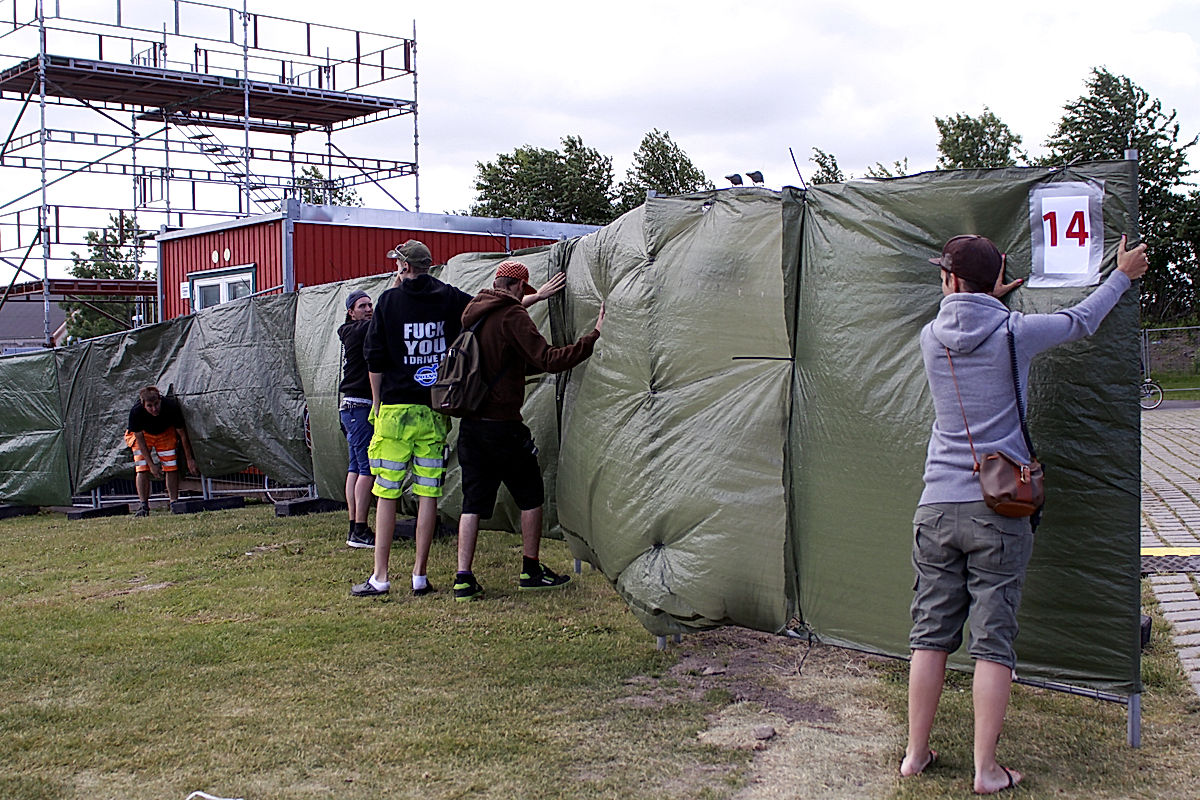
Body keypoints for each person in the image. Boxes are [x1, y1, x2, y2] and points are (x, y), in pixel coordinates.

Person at [901, 234, 1149, 794]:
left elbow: (965, 319)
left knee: (930, 635)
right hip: (999, 508)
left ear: (947, 281)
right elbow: (1081, 321)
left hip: (936, 506)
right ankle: (986, 771)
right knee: (993, 641)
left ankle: (915, 755)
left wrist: (986, 294)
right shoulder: (1015, 332)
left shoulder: (928, 338)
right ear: (994, 282)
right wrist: (1122, 275)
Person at [352, 243, 565, 598]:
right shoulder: (449, 296)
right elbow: (491, 312)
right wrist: (537, 297)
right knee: (428, 492)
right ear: (430, 266)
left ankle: (381, 576)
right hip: (437, 409)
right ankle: (420, 575)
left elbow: (374, 356)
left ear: (404, 266)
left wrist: (376, 401)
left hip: (394, 410)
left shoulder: (388, 301)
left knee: (387, 493)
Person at [452, 260, 604, 602]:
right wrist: (593, 337)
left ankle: (463, 578)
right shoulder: (513, 317)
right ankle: (531, 569)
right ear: (519, 287)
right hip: (503, 427)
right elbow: (548, 359)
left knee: (472, 503)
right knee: (531, 495)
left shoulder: (474, 313)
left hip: (471, 426)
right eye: (526, 290)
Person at [124, 385, 198, 517]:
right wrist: (151, 465)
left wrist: (189, 459)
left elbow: (182, 434)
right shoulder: (136, 412)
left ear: (160, 400)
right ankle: (143, 505)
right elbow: (139, 440)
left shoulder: (170, 407)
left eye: (156, 404)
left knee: (171, 466)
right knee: (141, 468)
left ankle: (174, 502)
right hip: (144, 435)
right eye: (150, 406)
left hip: (165, 433)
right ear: (143, 405)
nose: (154, 409)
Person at [338, 289, 375, 548]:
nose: (369, 309)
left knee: (354, 467)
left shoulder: (354, 330)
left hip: (351, 409)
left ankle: (354, 526)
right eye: (362, 306)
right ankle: (361, 529)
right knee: (367, 469)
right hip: (359, 408)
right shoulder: (356, 331)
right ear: (351, 312)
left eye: (370, 304)